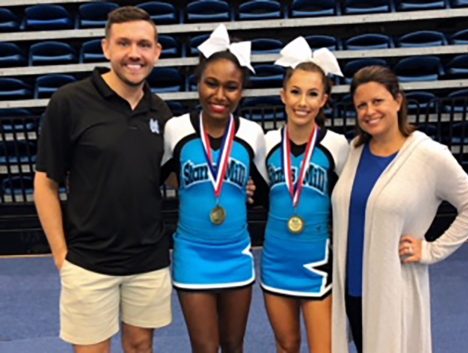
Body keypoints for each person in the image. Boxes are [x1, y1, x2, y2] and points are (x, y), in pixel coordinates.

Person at [33, 6, 173, 353]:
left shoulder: (161, 112)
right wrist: (60, 255)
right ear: (106, 47)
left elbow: (170, 179)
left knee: (141, 346)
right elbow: (46, 182)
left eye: (143, 45)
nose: (134, 54)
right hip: (88, 261)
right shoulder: (70, 102)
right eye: (123, 43)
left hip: (148, 260)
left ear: (157, 52)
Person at [331, 65, 468, 353]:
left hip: (392, 291)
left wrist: (431, 250)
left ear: (398, 101)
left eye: (377, 101)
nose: (369, 111)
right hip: (352, 291)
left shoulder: (428, 155)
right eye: (362, 105)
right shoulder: (355, 151)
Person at [161, 24, 267, 353]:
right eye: (212, 83)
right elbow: (159, 175)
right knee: (205, 348)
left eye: (231, 87)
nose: (220, 95)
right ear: (198, 83)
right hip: (192, 254)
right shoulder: (175, 129)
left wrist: (248, 190)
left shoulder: (252, 133)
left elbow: (263, 191)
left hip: (236, 252)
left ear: (242, 93)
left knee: (234, 346)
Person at [260, 37, 349, 353]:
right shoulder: (266, 143)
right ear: (283, 95)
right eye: (295, 92)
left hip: (318, 262)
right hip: (276, 260)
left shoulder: (338, 146)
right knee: (286, 344)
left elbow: (347, 201)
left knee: (325, 348)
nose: (302, 102)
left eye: (313, 94)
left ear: (324, 99)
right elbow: (257, 191)